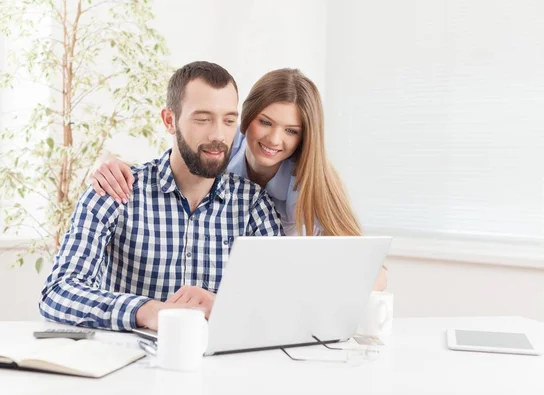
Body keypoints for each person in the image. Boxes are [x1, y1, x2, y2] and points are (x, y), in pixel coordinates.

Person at [91, 68, 389, 290]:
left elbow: (373, 273)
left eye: (291, 130)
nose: (274, 139)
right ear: (246, 118)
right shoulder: (222, 144)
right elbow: (172, 166)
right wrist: (106, 163)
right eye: (265, 122)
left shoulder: (309, 181)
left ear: (304, 136)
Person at [39, 61, 283, 332]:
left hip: (220, 368)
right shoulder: (117, 190)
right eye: (202, 119)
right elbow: (57, 293)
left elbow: (281, 304)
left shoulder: (253, 205)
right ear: (169, 120)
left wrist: (225, 306)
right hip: (131, 365)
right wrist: (147, 311)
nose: (218, 135)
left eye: (228, 120)